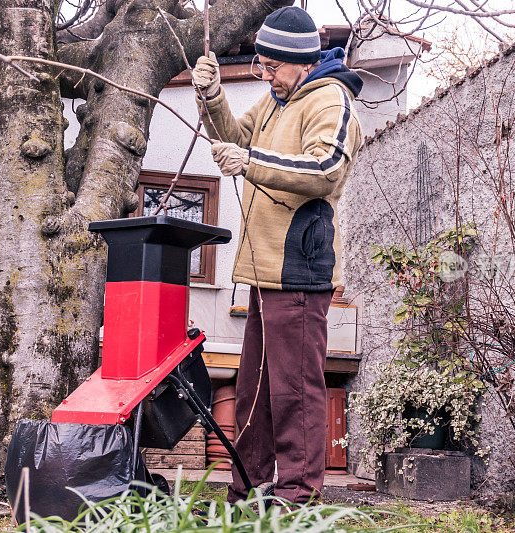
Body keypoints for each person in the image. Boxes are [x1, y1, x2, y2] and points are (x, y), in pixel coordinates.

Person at [191, 5, 363, 504]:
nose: (264, 76)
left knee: (296, 392)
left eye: (271, 67)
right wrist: (211, 96)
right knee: (254, 393)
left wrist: (249, 162)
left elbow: (324, 170)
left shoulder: (329, 100)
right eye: (259, 66)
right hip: (264, 271)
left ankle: (298, 494)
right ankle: (248, 491)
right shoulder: (274, 101)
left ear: (301, 62)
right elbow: (234, 139)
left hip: (298, 268)